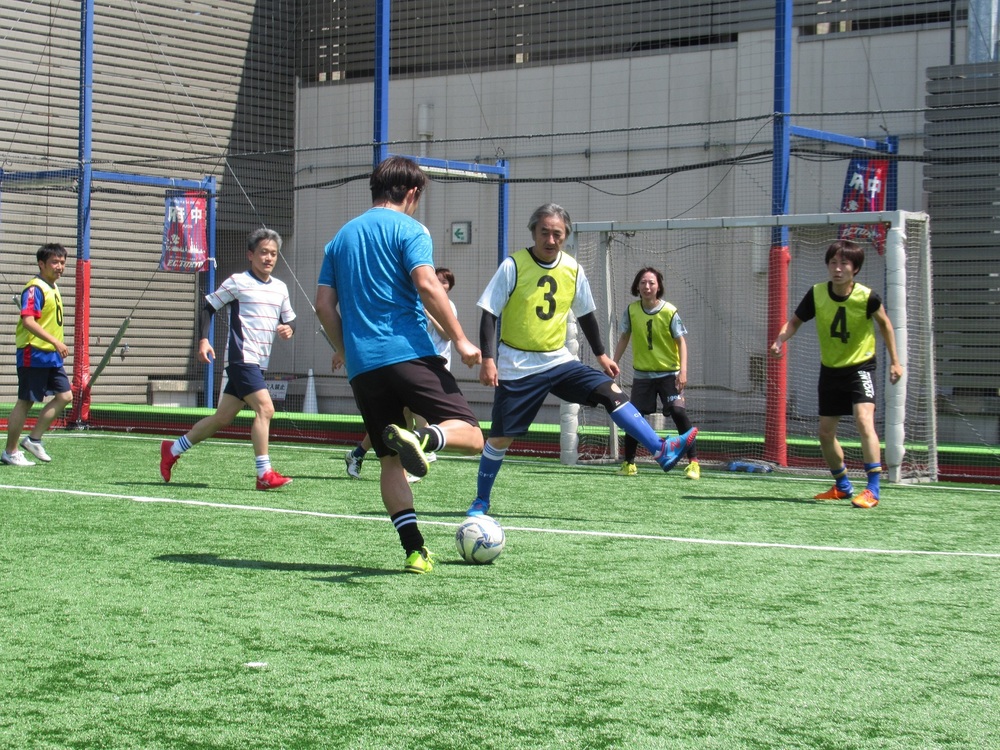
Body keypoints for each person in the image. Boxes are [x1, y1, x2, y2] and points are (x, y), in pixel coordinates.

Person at [467, 203, 697, 517]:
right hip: (517, 365)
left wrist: (601, 355)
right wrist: (489, 359)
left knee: (611, 392)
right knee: (500, 438)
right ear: (533, 232)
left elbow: (586, 314)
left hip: (558, 360)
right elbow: (489, 313)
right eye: (544, 232)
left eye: (557, 234)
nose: (550, 240)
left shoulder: (573, 269)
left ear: (566, 236)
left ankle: (660, 450)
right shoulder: (513, 265)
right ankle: (481, 500)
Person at [315, 155, 484, 574]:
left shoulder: (340, 239)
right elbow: (426, 283)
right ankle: (424, 439)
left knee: (389, 461)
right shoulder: (410, 229)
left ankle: (415, 552)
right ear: (411, 192)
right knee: (472, 435)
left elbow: (323, 306)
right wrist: (461, 339)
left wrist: (347, 350)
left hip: (363, 367)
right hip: (408, 352)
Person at [770, 239, 903, 509]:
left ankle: (873, 489)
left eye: (844, 263)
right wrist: (780, 340)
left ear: (856, 269)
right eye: (833, 262)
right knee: (825, 433)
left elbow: (886, 325)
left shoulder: (867, 297)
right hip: (830, 370)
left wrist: (895, 362)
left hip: (860, 367)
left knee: (864, 420)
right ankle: (842, 486)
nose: (837, 268)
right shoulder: (817, 293)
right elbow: (794, 321)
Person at [159, 228, 296, 490]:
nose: (268, 258)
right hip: (241, 359)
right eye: (263, 252)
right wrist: (203, 340)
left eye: (273, 254)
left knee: (222, 418)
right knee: (266, 409)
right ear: (250, 255)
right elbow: (208, 307)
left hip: (259, 363)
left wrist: (289, 329)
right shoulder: (237, 281)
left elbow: (290, 320)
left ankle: (172, 449)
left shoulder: (280, 288)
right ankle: (264, 474)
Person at [344, 267, 457, 480]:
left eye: (445, 282)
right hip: (413, 366)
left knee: (410, 418)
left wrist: (430, 314)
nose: (441, 285)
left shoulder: (446, 306)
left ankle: (363, 454)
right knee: (398, 420)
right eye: (437, 280)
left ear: (450, 287)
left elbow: (447, 334)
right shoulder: (415, 301)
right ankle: (366, 455)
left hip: (434, 368)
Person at [612, 266, 700, 479]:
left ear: (658, 286)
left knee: (678, 412)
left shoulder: (669, 311)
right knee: (634, 418)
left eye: (651, 282)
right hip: (643, 376)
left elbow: (681, 341)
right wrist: (613, 363)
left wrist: (683, 371)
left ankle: (694, 463)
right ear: (637, 286)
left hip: (669, 374)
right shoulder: (632, 310)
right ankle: (629, 463)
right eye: (643, 282)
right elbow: (624, 337)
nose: (647, 286)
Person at [2, 243, 73, 466]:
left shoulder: (53, 287)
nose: (60, 266)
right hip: (33, 352)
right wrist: (55, 341)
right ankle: (10, 451)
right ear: (41, 264)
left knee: (65, 396)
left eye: (62, 262)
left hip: (50, 355)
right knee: (26, 402)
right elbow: (28, 321)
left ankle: (33, 439)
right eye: (55, 262)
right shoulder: (35, 288)